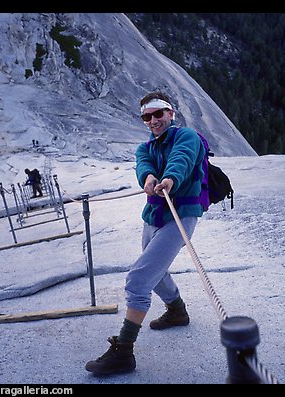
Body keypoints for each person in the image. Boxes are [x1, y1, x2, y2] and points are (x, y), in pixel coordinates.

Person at [85, 92, 206, 375]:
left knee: (139, 279)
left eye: (158, 114)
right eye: (147, 117)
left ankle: (124, 352)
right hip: (153, 216)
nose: (153, 121)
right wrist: (149, 178)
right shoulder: (145, 148)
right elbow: (144, 165)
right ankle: (177, 311)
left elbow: (183, 158)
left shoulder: (187, 136)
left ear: (170, 113)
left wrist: (170, 179)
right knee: (156, 272)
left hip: (180, 216)